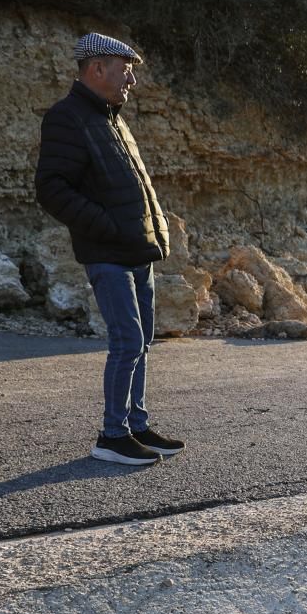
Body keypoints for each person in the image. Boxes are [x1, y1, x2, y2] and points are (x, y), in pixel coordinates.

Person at [35, 32, 184, 466]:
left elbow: (134, 187)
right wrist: (108, 228)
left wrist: (152, 234)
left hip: (136, 251)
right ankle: (112, 435)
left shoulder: (112, 117)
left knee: (143, 342)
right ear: (97, 68)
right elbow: (51, 189)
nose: (132, 79)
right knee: (127, 342)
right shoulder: (67, 117)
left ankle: (136, 425)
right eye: (126, 69)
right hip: (109, 252)